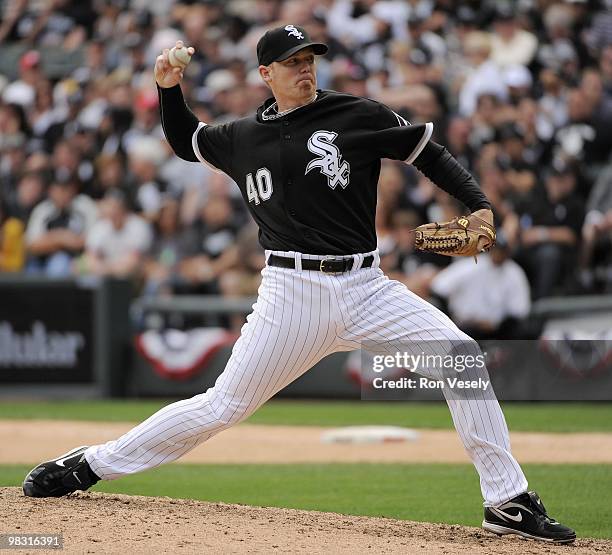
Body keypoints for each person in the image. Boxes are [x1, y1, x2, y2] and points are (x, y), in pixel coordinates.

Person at [22, 25, 575, 544]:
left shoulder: (355, 114)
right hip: (292, 293)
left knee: (462, 358)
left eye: (309, 60)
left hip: (367, 285)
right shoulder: (241, 137)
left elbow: (426, 152)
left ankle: (507, 500)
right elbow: (184, 138)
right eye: (292, 63)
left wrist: (478, 205)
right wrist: (169, 91)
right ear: (266, 73)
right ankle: (91, 463)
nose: (304, 69)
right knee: (223, 407)